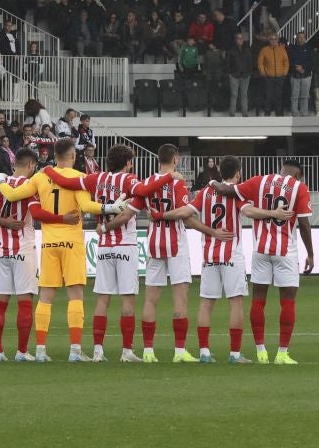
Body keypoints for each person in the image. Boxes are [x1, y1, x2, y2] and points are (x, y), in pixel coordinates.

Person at [0, 139, 113, 361]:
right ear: (73, 156)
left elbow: (11, 195)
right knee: (75, 295)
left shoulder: (39, 177)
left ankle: (39, 350)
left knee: (45, 296)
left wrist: (0, 181)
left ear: (55, 155)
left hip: (48, 243)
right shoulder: (78, 178)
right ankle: (75, 350)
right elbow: (86, 207)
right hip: (71, 242)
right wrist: (111, 207)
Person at [128, 143, 230, 363]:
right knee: (180, 299)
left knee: (151, 300)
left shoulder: (147, 183)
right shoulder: (177, 183)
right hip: (176, 245)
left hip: (154, 243)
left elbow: (136, 198)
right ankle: (180, 351)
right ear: (175, 160)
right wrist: (211, 231)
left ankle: (147, 351)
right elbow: (186, 216)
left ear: (158, 160)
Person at [193, 155, 288, 364]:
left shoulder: (206, 192)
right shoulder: (236, 193)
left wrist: (209, 231)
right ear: (238, 173)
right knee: (236, 303)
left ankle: (204, 352)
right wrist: (273, 212)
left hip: (209, 254)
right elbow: (249, 211)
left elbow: (188, 216)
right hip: (231, 254)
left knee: (206, 303)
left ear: (219, 171)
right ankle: (235, 354)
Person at [233, 159, 315, 364]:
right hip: (286, 251)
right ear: (298, 175)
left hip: (260, 249)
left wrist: (214, 184)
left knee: (258, 300)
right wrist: (311, 254)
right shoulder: (299, 187)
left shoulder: (260, 181)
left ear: (281, 170)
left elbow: (231, 191)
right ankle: (282, 353)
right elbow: (304, 224)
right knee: (287, 301)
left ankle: (261, 351)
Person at [83, 145, 142, 363]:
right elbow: (127, 215)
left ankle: (98, 350)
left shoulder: (97, 179)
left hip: (104, 247)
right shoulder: (130, 180)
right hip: (125, 244)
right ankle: (127, 351)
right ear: (127, 162)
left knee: (102, 298)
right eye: (131, 161)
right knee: (127, 299)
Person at [0, 149, 40, 362]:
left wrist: (1, 220)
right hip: (24, 249)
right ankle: (22, 351)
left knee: (1, 300)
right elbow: (37, 213)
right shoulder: (31, 186)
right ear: (31, 166)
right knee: (25, 301)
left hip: (2, 250)